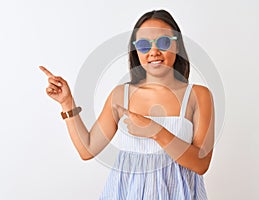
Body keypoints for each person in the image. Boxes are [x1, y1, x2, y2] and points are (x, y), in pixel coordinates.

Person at [40, 9, 214, 200]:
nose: (153, 52)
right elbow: (87, 149)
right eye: (143, 45)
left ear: (177, 45)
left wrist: (155, 131)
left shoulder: (198, 95)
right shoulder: (120, 95)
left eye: (163, 42)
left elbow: (201, 164)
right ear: (135, 50)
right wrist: (66, 103)